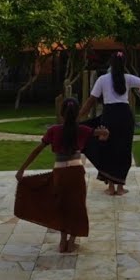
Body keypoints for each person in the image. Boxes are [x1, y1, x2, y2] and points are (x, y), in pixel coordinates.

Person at [15, 97, 108, 253]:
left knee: (62, 206)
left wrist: (22, 169)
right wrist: (105, 133)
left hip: (60, 173)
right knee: (77, 206)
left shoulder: (54, 130)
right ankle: (72, 241)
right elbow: (103, 133)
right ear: (77, 113)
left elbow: (37, 150)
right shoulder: (83, 130)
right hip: (76, 172)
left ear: (62, 113)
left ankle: (62, 241)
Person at [78, 52, 140, 196]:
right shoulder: (128, 78)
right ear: (124, 64)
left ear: (110, 64)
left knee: (108, 149)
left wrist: (78, 116)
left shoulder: (102, 79)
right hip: (125, 116)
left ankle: (111, 187)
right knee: (124, 150)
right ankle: (120, 188)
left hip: (109, 116)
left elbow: (91, 101)